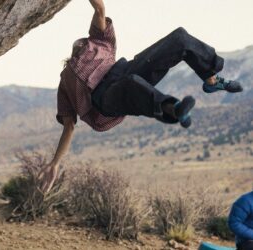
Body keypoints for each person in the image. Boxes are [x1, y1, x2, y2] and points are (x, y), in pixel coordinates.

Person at [38, 0, 243, 193]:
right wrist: (55, 163)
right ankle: (173, 109)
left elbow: (99, 7)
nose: (81, 45)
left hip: (125, 69)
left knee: (179, 38)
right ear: (71, 54)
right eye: (78, 46)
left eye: (83, 43)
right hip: (104, 99)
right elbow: (69, 126)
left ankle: (211, 80)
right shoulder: (65, 81)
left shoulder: (99, 40)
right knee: (131, 84)